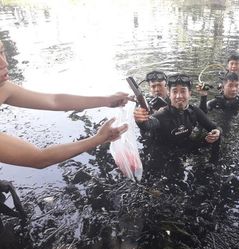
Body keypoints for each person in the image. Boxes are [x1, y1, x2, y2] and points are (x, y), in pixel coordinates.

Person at [0, 40, 131, 169]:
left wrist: (106, 100)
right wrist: (98, 139)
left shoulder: (3, 88)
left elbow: (54, 101)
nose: (4, 63)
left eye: (2, 52)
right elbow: (39, 159)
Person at [134, 73, 221, 149]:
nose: (179, 96)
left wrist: (217, 132)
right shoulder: (161, 115)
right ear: (169, 94)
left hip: (188, 150)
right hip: (165, 157)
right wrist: (140, 121)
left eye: (183, 91)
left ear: (190, 93)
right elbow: (147, 125)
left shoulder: (194, 111)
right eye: (174, 92)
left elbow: (214, 127)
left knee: (216, 138)